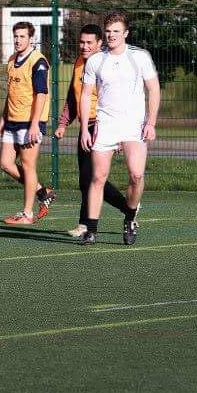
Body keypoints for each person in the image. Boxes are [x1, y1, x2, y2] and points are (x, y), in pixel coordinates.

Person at [78, 11, 159, 246]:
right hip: (105, 125)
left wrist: (151, 122)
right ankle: (91, 230)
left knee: (136, 174)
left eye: (116, 31)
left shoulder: (140, 57)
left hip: (134, 126)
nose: (112, 35)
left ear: (125, 33)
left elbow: (153, 89)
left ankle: (130, 216)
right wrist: (85, 129)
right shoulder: (95, 60)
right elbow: (85, 96)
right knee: (98, 177)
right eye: (109, 31)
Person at [54, 24, 130, 237]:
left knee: (92, 178)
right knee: (87, 179)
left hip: (103, 125)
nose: (84, 46)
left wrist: (119, 135)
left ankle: (92, 222)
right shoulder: (79, 63)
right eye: (81, 42)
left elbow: (120, 101)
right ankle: (126, 210)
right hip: (85, 128)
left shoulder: (108, 65)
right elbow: (73, 96)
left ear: (99, 44)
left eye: (89, 43)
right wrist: (63, 123)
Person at [0, 21, 56, 225]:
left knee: (27, 165)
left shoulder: (38, 61)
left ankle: (27, 214)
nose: (18, 40)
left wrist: (34, 124)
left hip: (30, 122)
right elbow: (11, 92)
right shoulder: (12, 59)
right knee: (5, 163)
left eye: (22, 36)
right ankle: (42, 191)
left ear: (31, 39)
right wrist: (4, 117)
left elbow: (41, 94)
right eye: (16, 36)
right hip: (12, 121)